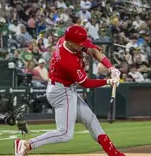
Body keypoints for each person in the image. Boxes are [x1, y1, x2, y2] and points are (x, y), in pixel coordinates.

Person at [14, 25, 123, 156]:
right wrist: (108, 81)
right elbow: (86, 83)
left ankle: (113, 153)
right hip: (61, 92)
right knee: (65, 133)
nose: (83, 46)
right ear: (70, 43)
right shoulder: (67, 61)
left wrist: (111, 68)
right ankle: (26, 144)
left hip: (65, 88)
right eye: (80, 44)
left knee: (91, 119)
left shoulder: (67, 40)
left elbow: (93, 51)